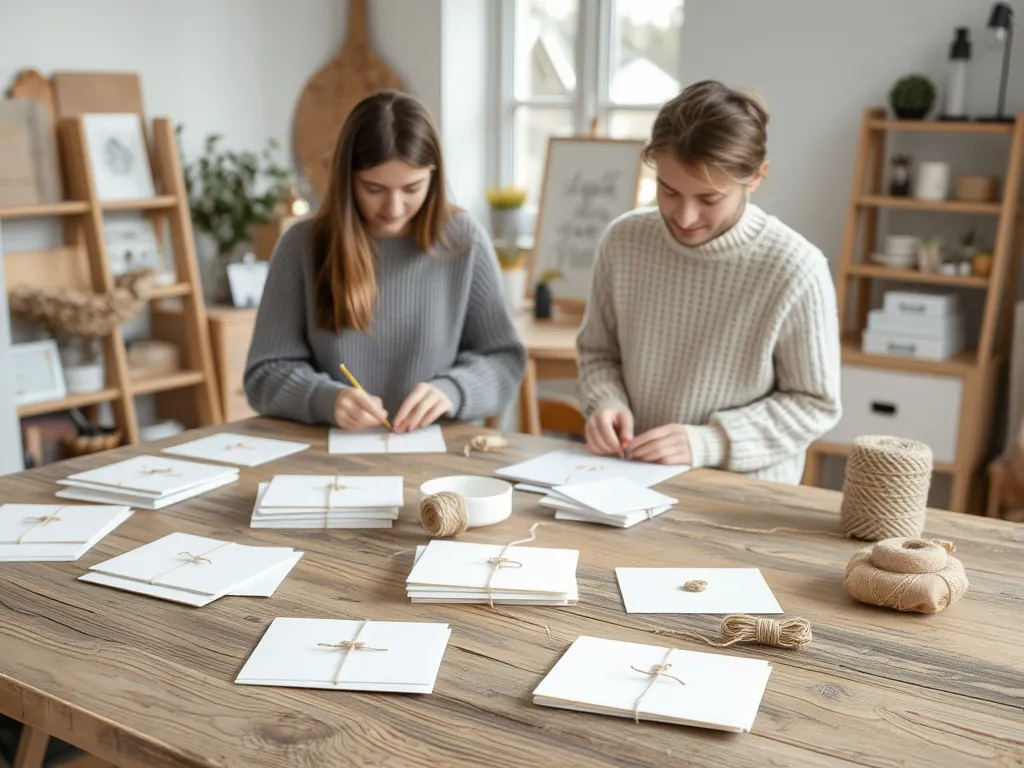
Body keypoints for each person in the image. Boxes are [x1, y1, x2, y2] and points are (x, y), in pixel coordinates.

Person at [576, 80, 842, 484]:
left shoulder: (795, 267)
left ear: (754, 178)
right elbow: (598, 352)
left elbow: (813, 404)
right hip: (626, 479)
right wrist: (605, 401)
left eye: (709, 199)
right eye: (668, 190)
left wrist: (709, 442)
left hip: (743, 499)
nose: (684, 217)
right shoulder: (623, 240)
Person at [244, 90, 526, 432]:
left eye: (412, 188)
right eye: (374, 189)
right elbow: (263, 375)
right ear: (347, 180)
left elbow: (504, 360)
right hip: (327, 460)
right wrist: (326, 399)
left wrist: (453, 390)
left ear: (434, 178)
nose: (393, 209)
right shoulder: (301, 246)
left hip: (438, 455)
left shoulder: (464, 241)